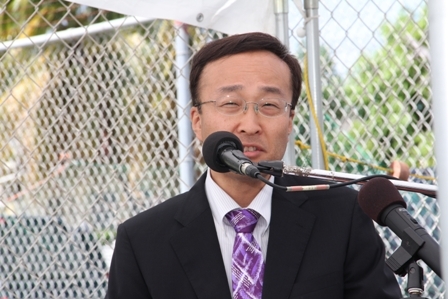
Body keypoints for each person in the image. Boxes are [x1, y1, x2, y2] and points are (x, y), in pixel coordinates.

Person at [105, 32, 401, 299]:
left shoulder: (342, 217)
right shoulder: (143, 242)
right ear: (197, 122)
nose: (250, 125)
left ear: (289, 122)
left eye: (269, 105)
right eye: (231, 104)